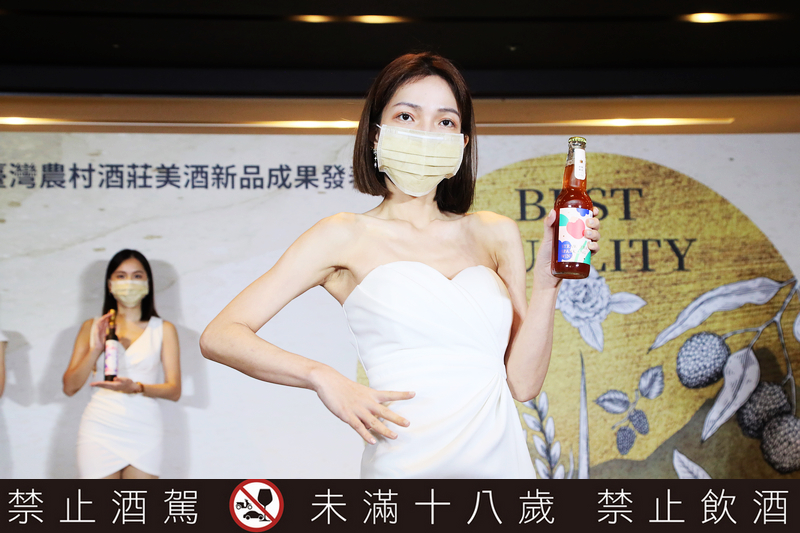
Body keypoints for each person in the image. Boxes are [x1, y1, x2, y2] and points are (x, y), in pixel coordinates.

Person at [200, 52, 600, 478]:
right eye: (407, 116)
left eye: (445, 121)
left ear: (462, 143)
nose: (426, 133)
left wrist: (548, 285)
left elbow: (522, 383)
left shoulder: (494, 232)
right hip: (405, 466)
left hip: (499, 468)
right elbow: (221, 335)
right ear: (376, 135)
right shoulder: (343, 234)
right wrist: (321, 376)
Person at [63, 249, 181, 479]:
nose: (129, 282)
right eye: (121, 276)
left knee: (139, 503)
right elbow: (70, 387)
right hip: (100, 425)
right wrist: (96, 348)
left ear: (148, 283)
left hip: (144, 427)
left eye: (137, 276)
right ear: (110, 284)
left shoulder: (163, 329)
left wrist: (136, 387)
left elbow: (174, 390)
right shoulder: (91, 327)